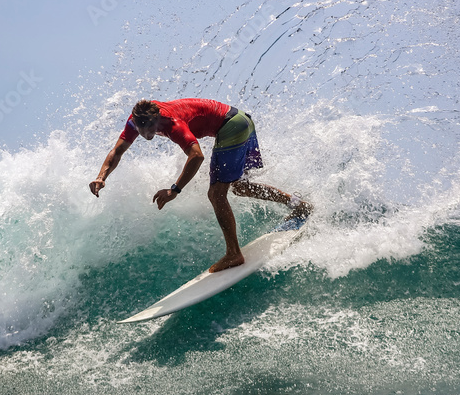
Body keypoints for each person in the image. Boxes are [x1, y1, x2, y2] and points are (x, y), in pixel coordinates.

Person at [89, 98, 311, 273]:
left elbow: (196, 156)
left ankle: (233, 253)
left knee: (216, 194)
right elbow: (117, 151)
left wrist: (174, 190)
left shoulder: (173, 124)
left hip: (231, 127)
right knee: (240, 187)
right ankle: (298, 204)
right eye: (141, 130)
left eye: (150, 129)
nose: (146, 135)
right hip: (242, 120)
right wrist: (101, 177)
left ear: (157, 120)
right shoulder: (135, 121)